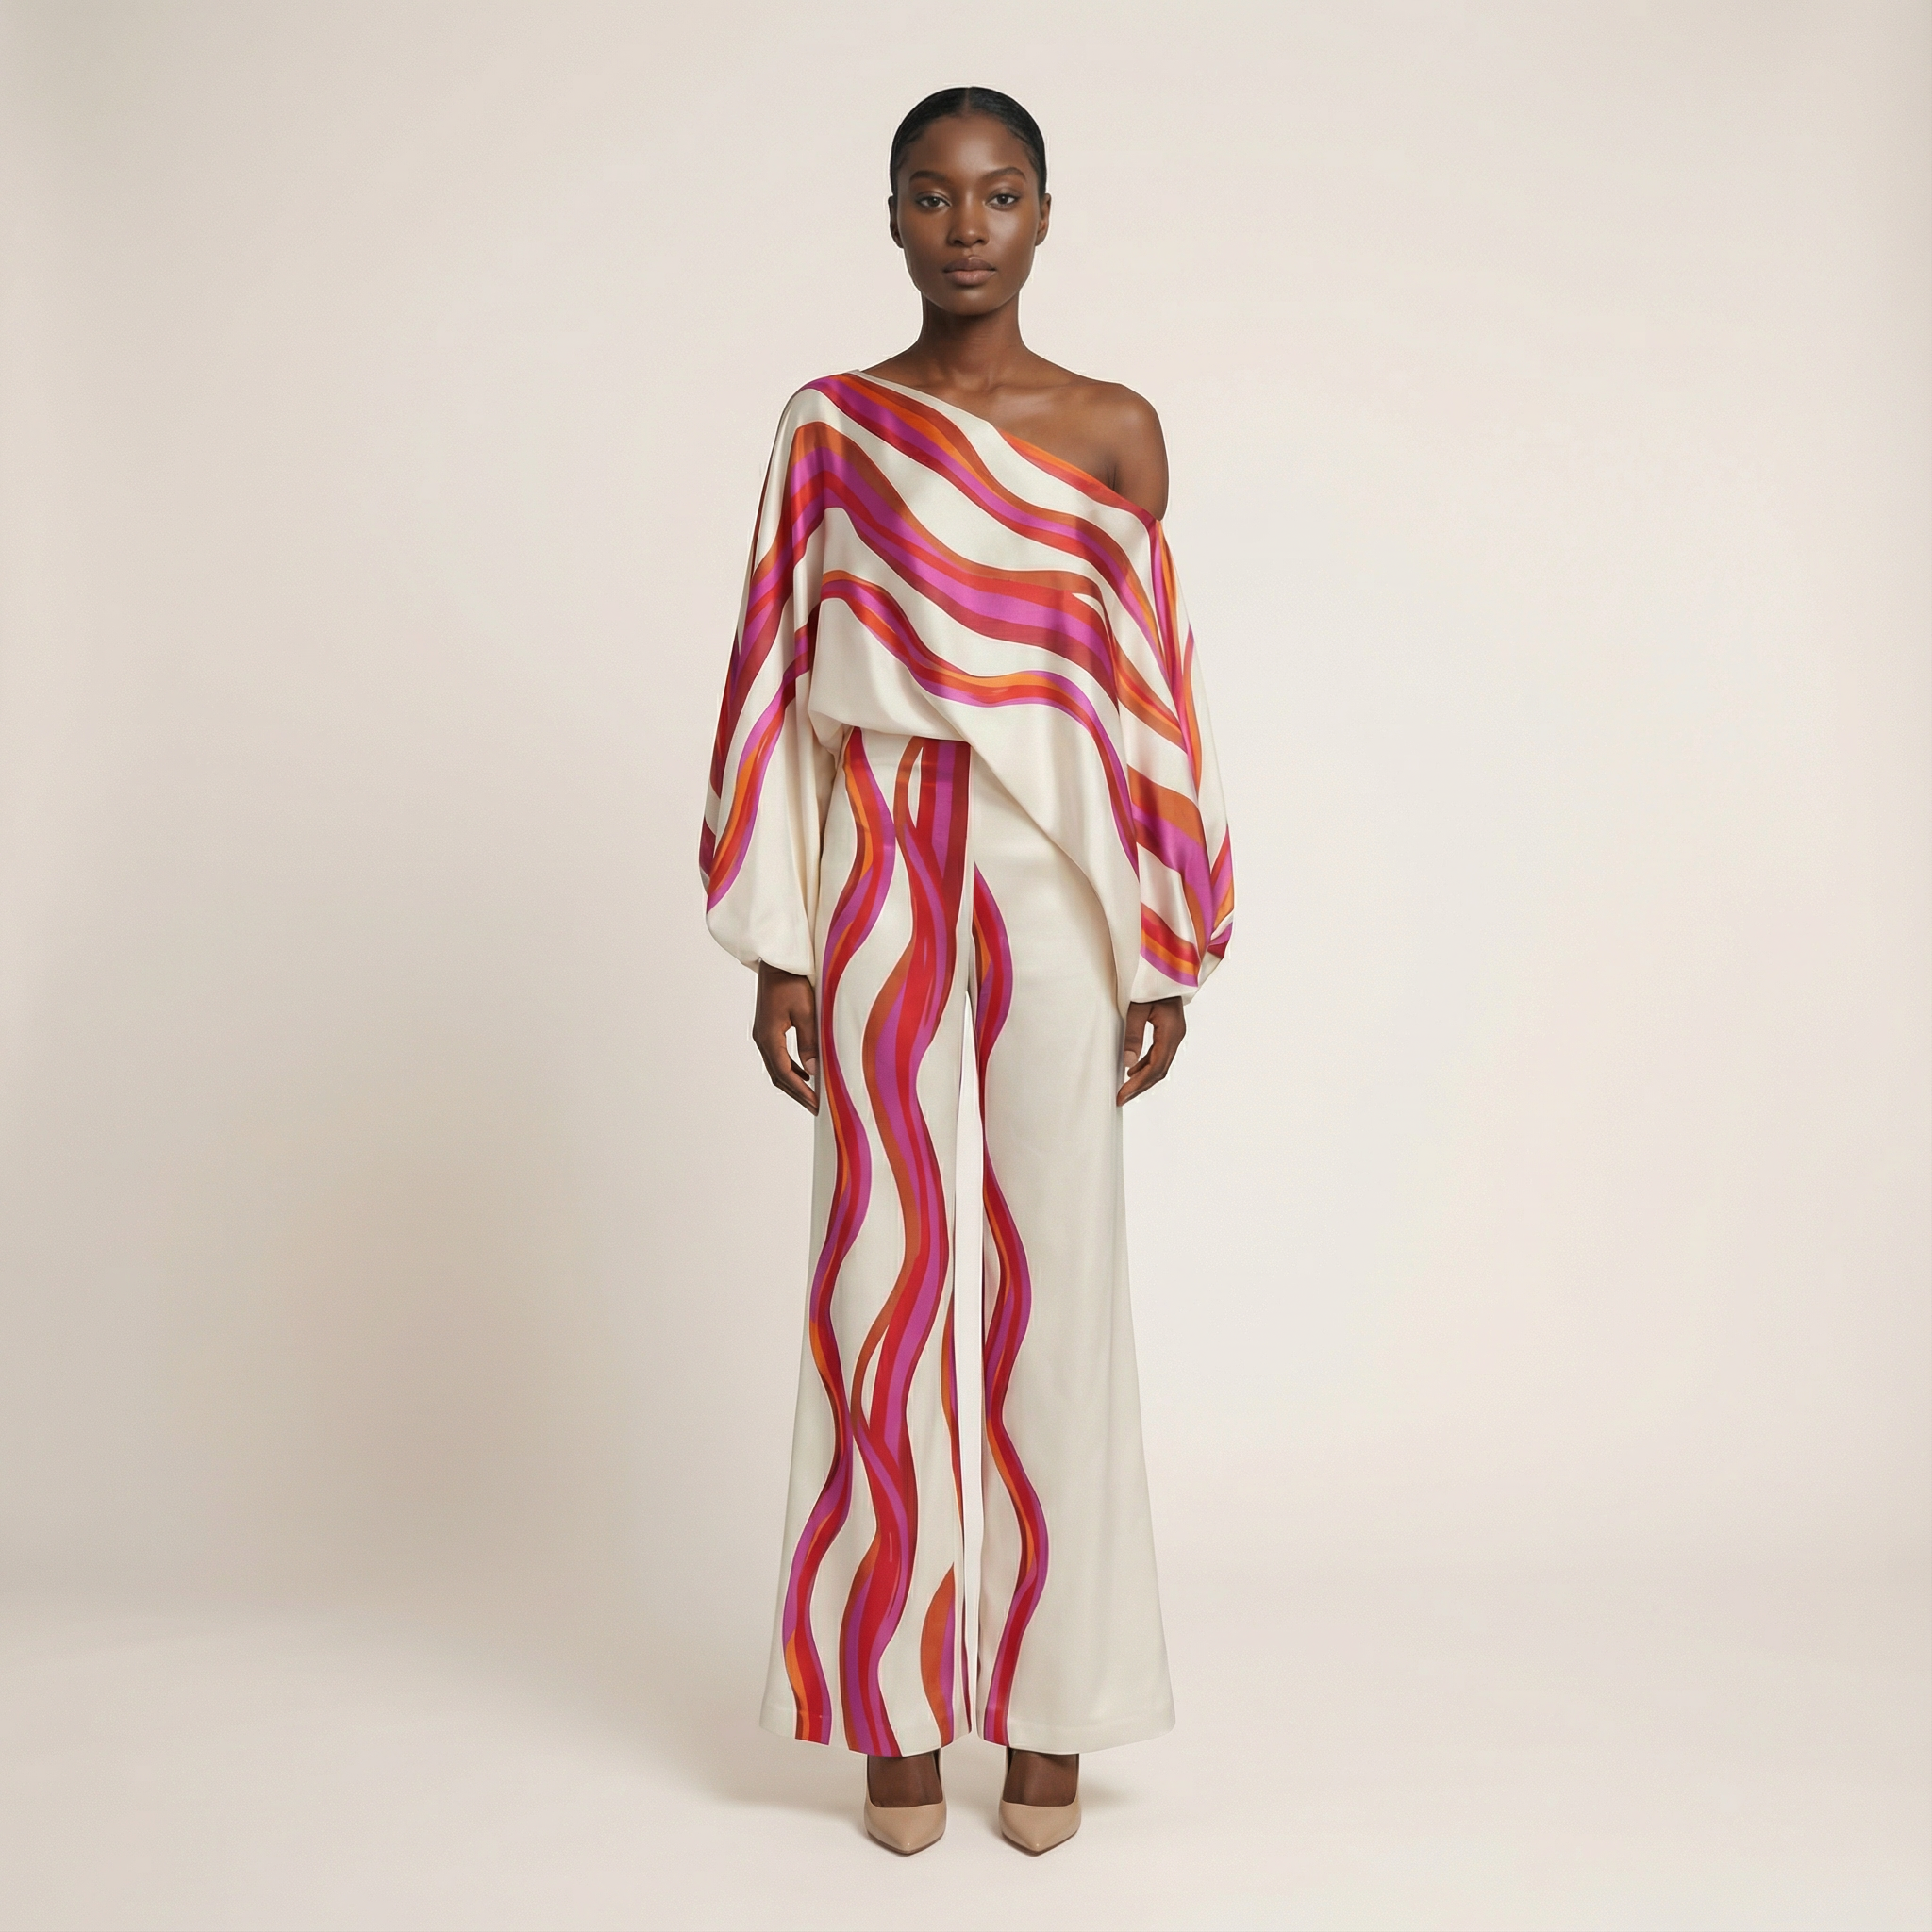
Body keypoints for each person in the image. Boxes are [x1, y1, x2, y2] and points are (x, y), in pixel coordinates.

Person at [699, 86, 1233, 1856]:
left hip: (1055, 881)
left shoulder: (1114, 431)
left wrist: (1158, 936)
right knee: (883, 1276)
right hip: (878, 867)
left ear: (1047, 214)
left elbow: (1148, 698)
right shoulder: (831, 429)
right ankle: (892, 1701)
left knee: (1057, 1282)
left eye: (999, 196)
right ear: (892, 216)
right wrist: (783, 940)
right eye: (932, 197)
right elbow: (776, 674)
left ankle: (1055, 1703)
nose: (967, 228)